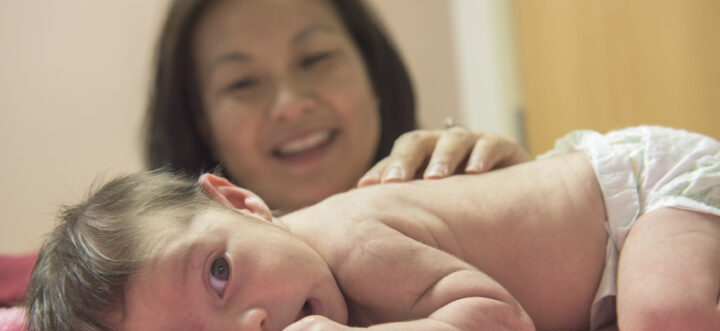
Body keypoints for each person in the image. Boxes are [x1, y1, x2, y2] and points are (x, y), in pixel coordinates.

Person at [26, 126, 720, 331]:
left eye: (218, 273)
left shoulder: (350, 239)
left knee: (664, 320)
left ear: (240, 203)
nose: (249, 328)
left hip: (639, 188)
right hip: (604, 230)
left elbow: (501, 322)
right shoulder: (303, 283)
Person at [144, 0, 529, 212]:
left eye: (315, 59)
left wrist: (521, 199)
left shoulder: (462, 196)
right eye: (243, 83)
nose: (291, 106)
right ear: (202, 123)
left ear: (372, 72)